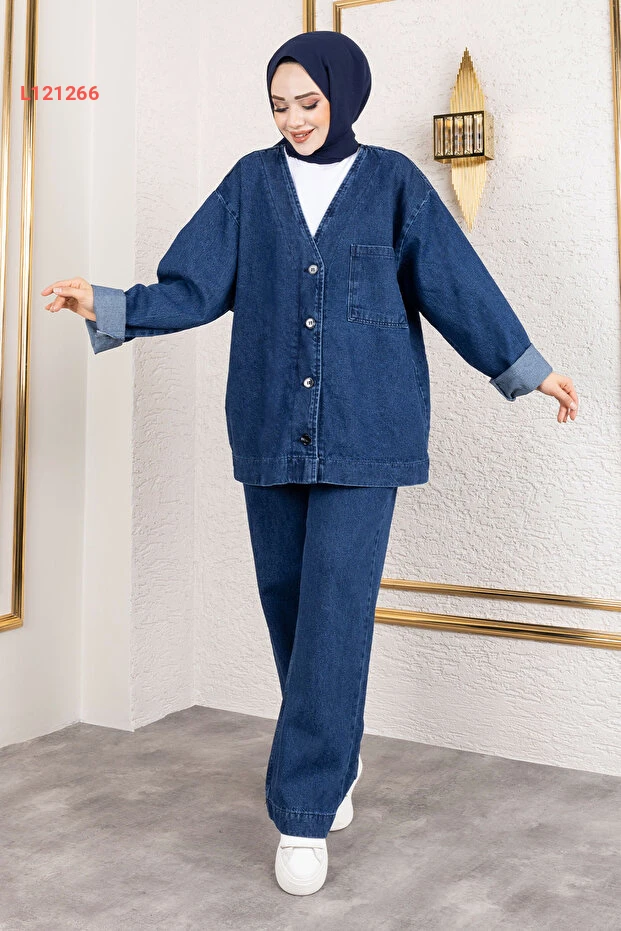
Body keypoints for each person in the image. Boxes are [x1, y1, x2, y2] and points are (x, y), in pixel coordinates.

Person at [41, 30, 578, 897]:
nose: (292, 119)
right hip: (269, 424)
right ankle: (334, 743)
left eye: (308, 102)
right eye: (278, 105)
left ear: (342, 95)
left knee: (333, 606)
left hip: (368, 433)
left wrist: (525, 368)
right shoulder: (249, 184)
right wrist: (106, 302)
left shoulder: (394, 183)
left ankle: (302, 809)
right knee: (288, 600)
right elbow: (192, 285)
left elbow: (455, 284)